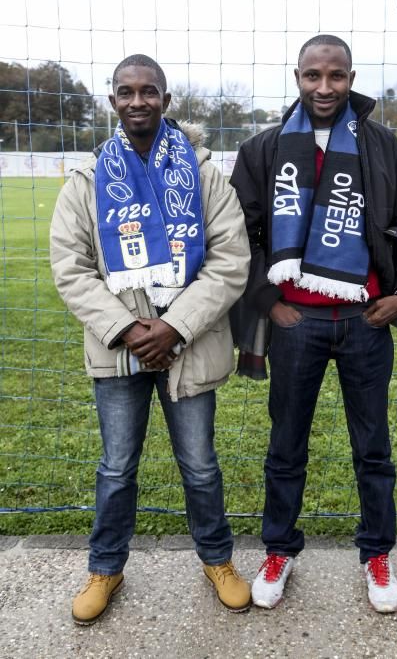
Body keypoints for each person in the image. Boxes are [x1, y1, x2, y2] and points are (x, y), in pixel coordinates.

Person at [50, 54, 251, 624]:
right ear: (112, 101)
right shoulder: (88, 179)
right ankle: (105, 568)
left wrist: (174, 327)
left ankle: (218, 560)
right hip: (120, 349)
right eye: (125, 92)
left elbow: (231, 259)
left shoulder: (205, 173)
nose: (138, 100)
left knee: (201, 466)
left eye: (149, 91)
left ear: (166, 99)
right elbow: (71, 266)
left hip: (188, 345)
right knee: (117, 467)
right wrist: (128, 329)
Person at [230, 34, 397, 614]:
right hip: (297, 324)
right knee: (286, 446)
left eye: (335, 76)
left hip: (366, 322)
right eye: (313, 75)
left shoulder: (381, 144)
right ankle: (279, 549)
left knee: (374, 449)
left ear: (350, 77)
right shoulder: (263, 148)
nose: (324, 87)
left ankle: (376, 554)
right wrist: (268, 303)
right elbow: (240, 237)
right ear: (297, 77)